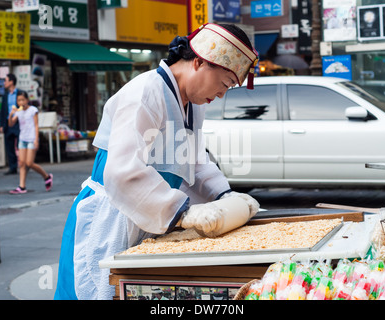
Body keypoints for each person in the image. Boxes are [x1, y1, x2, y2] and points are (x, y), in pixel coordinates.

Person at [54, 23, 260, 300]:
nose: (222, 94)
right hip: (113, 217)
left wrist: (226, 195)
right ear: (199, 62)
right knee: (101, 290)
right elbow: (122, 170)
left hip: (153, 217)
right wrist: (181, 212)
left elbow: (196, 163)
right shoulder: (145, 92)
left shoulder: (193, 106)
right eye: (224, 84)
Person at [7, 91, 53, 194]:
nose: (21, 102)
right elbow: (11, 124)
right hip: (22, 139)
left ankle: (47, 176)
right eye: (19, 100)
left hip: (32, 138)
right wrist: (11, 114)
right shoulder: (18, 111)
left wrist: (36, 139)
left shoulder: (33, 110)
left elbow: (36, 125)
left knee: (29, 163)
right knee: (22, 163)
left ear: (27, 100)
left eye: (23, 100)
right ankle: (22, 187)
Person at [0, 74, 24, 175]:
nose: (4, 83)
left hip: (18, 123)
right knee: (9, 146)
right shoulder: (5, 95)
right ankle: (12, 167)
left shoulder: (20, 93)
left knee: (20, 145)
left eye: (6, 81)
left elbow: (25, 106)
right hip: (8, 124)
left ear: (11, 82)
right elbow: (2, 110)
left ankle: (23, 165)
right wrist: (1, 125)